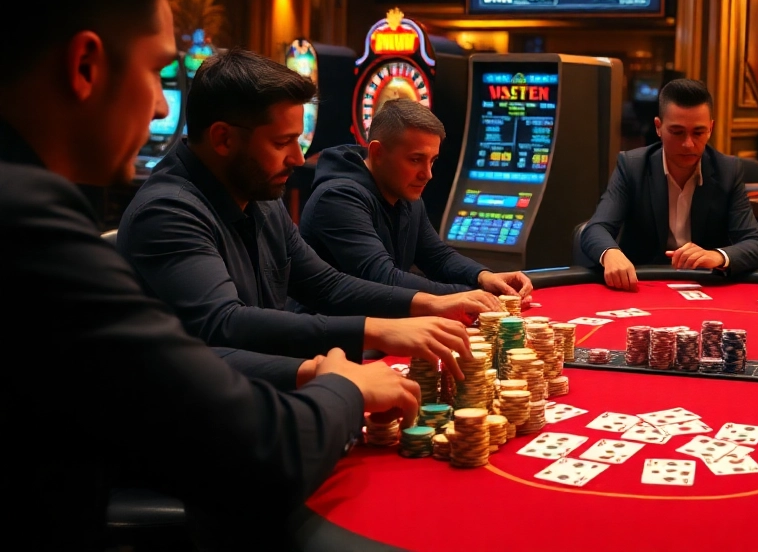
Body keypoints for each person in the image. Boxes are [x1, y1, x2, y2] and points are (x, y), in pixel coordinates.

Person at [1, 0, 419, 546]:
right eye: (159, 72)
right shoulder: (26, 222)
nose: (160, 107)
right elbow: (258, 451)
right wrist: (346, 385)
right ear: (85, 66)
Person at [119, 49, 493, 375]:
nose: (298, 159)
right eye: (282, 142)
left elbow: (325, 285)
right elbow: (224, 323)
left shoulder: (260, 197)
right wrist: (371, 333)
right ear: (223, 138)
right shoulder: (167, 212)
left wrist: (432, 304)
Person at [301, 99, 533, 299]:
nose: (427, 174)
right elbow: (384, 279)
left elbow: (437, 257)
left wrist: (483, 276)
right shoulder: (337, 198)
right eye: (415, 160)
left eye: (432, 160)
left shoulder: (405, 194)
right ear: (378, 153)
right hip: (326, 339)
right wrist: (469, 294)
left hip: (380, 326)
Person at [579, 78, 758, 290]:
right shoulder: (632, 166)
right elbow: (595, 229)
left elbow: (756, 245)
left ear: (711, 129)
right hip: (643, 286)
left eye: (698, 132)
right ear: (658, 127)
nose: (688, 143)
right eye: (677, 132)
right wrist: (611, 253)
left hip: (704, 286)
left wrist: (717, 256)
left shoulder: (727, 170)